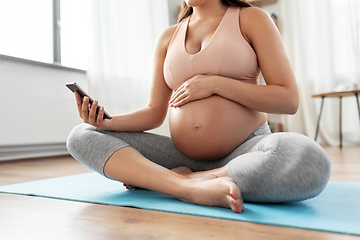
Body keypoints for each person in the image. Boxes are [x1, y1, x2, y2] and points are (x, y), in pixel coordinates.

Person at [67, 0, 331, 213]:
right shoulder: (168, 37)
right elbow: (154, 112)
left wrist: (216, 84)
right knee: (81, 136)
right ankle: (184, 186)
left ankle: (193, 178)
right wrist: (107, 122)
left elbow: (288, 99)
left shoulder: (251, 18)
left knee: (310, 157)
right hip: (181, 157)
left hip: (245, 153)